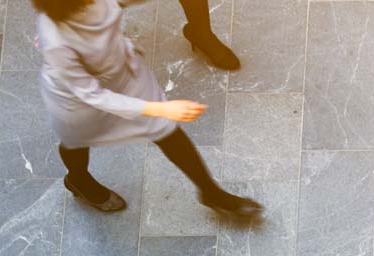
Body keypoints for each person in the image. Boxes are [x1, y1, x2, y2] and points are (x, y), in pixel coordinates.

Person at [35, 0, 261, 217]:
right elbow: (92, 95)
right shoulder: (56, 41)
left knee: (167, 132)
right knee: (76, 141)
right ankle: (78, 179)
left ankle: (211, 194)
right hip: (79, 103)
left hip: (122, 73)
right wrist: (157, 108)